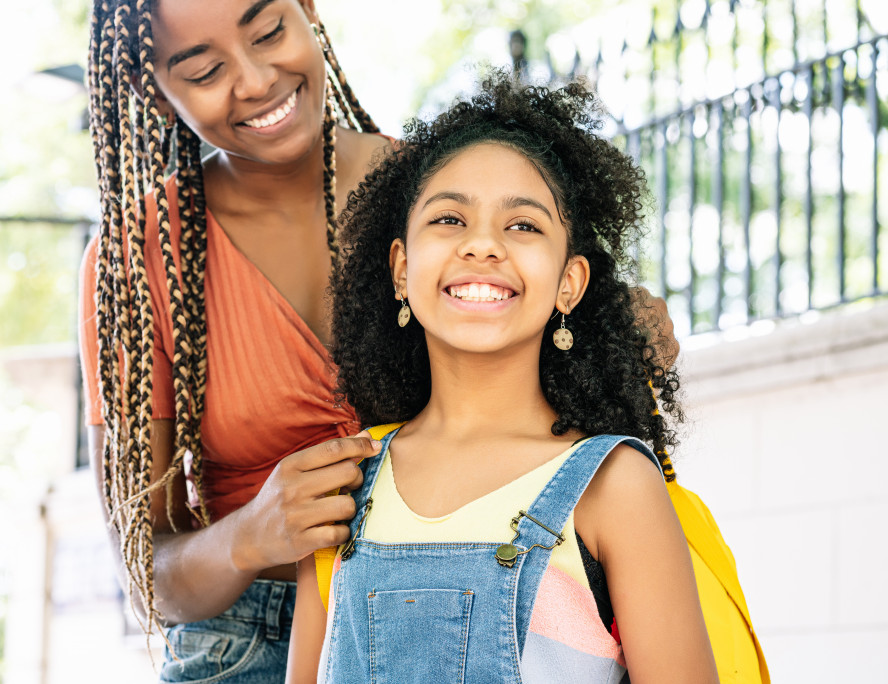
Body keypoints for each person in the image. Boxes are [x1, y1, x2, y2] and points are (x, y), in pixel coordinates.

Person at [79, 1, 679, 681]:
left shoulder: (444, 199)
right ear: (154, 92)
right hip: (238, 647)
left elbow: (560, 358)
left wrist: (617, 333)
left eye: (269, 31)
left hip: (469, 603)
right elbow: (146, 576)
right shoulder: (135, 264)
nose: (253, 79)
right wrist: (250, 536)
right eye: (205, 69)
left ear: (309, 14)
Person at [288, 74, 719, 683]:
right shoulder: (342, 487)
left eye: (524, 226)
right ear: (402, 270)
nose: (484, 244)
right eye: (449, 219)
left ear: (569, 283)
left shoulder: (616, 488)